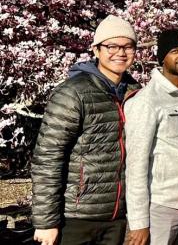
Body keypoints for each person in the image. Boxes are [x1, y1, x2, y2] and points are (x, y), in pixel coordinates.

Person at [31, 15, 140, 245]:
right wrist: (46, 222)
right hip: (76, 217)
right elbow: (48, 157)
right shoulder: (73, 93)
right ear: (96, 50)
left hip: (118, 217)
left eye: (128, 46)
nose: (120, 52)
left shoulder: (136, 93)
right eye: (112, 46)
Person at [124, 29, 178, 245]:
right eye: (175, 51)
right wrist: (139, 222)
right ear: (162, 57)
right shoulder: (146, 101)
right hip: (161, 207)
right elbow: (136, 165)